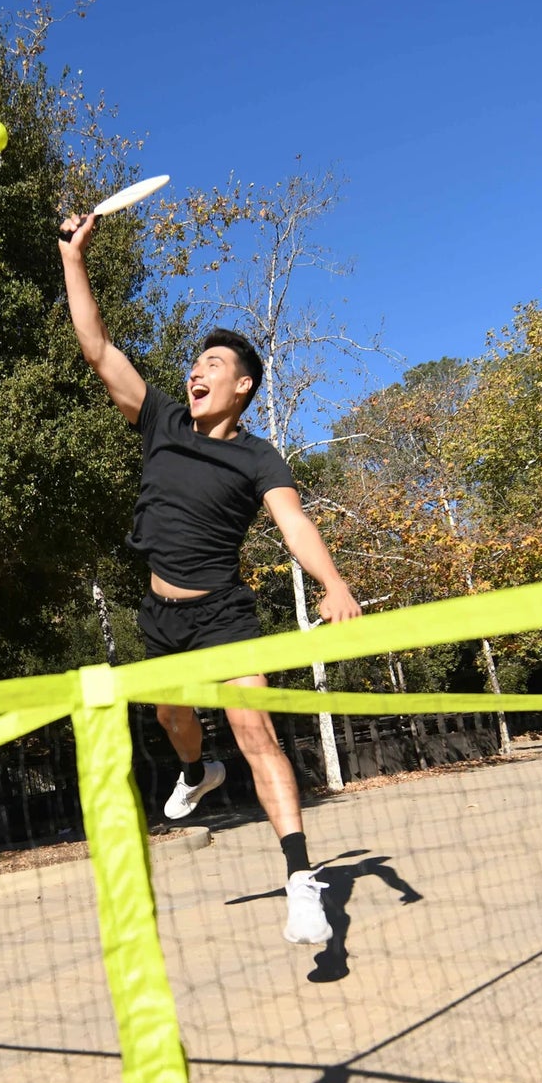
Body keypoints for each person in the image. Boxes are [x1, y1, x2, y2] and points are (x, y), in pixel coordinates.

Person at [59, 210, 363, 945]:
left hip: (223, 616)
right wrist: (73, 258)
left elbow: (292, 522)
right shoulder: (160, 418)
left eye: (213, 365)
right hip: (161, 618)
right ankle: (196, 772)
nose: (195, 371)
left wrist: (333, 582)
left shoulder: (259, 458)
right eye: (195, 363)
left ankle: (300, 881)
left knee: (256, 733)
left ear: (243, 386)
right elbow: (97, 347)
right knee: (171, 721)